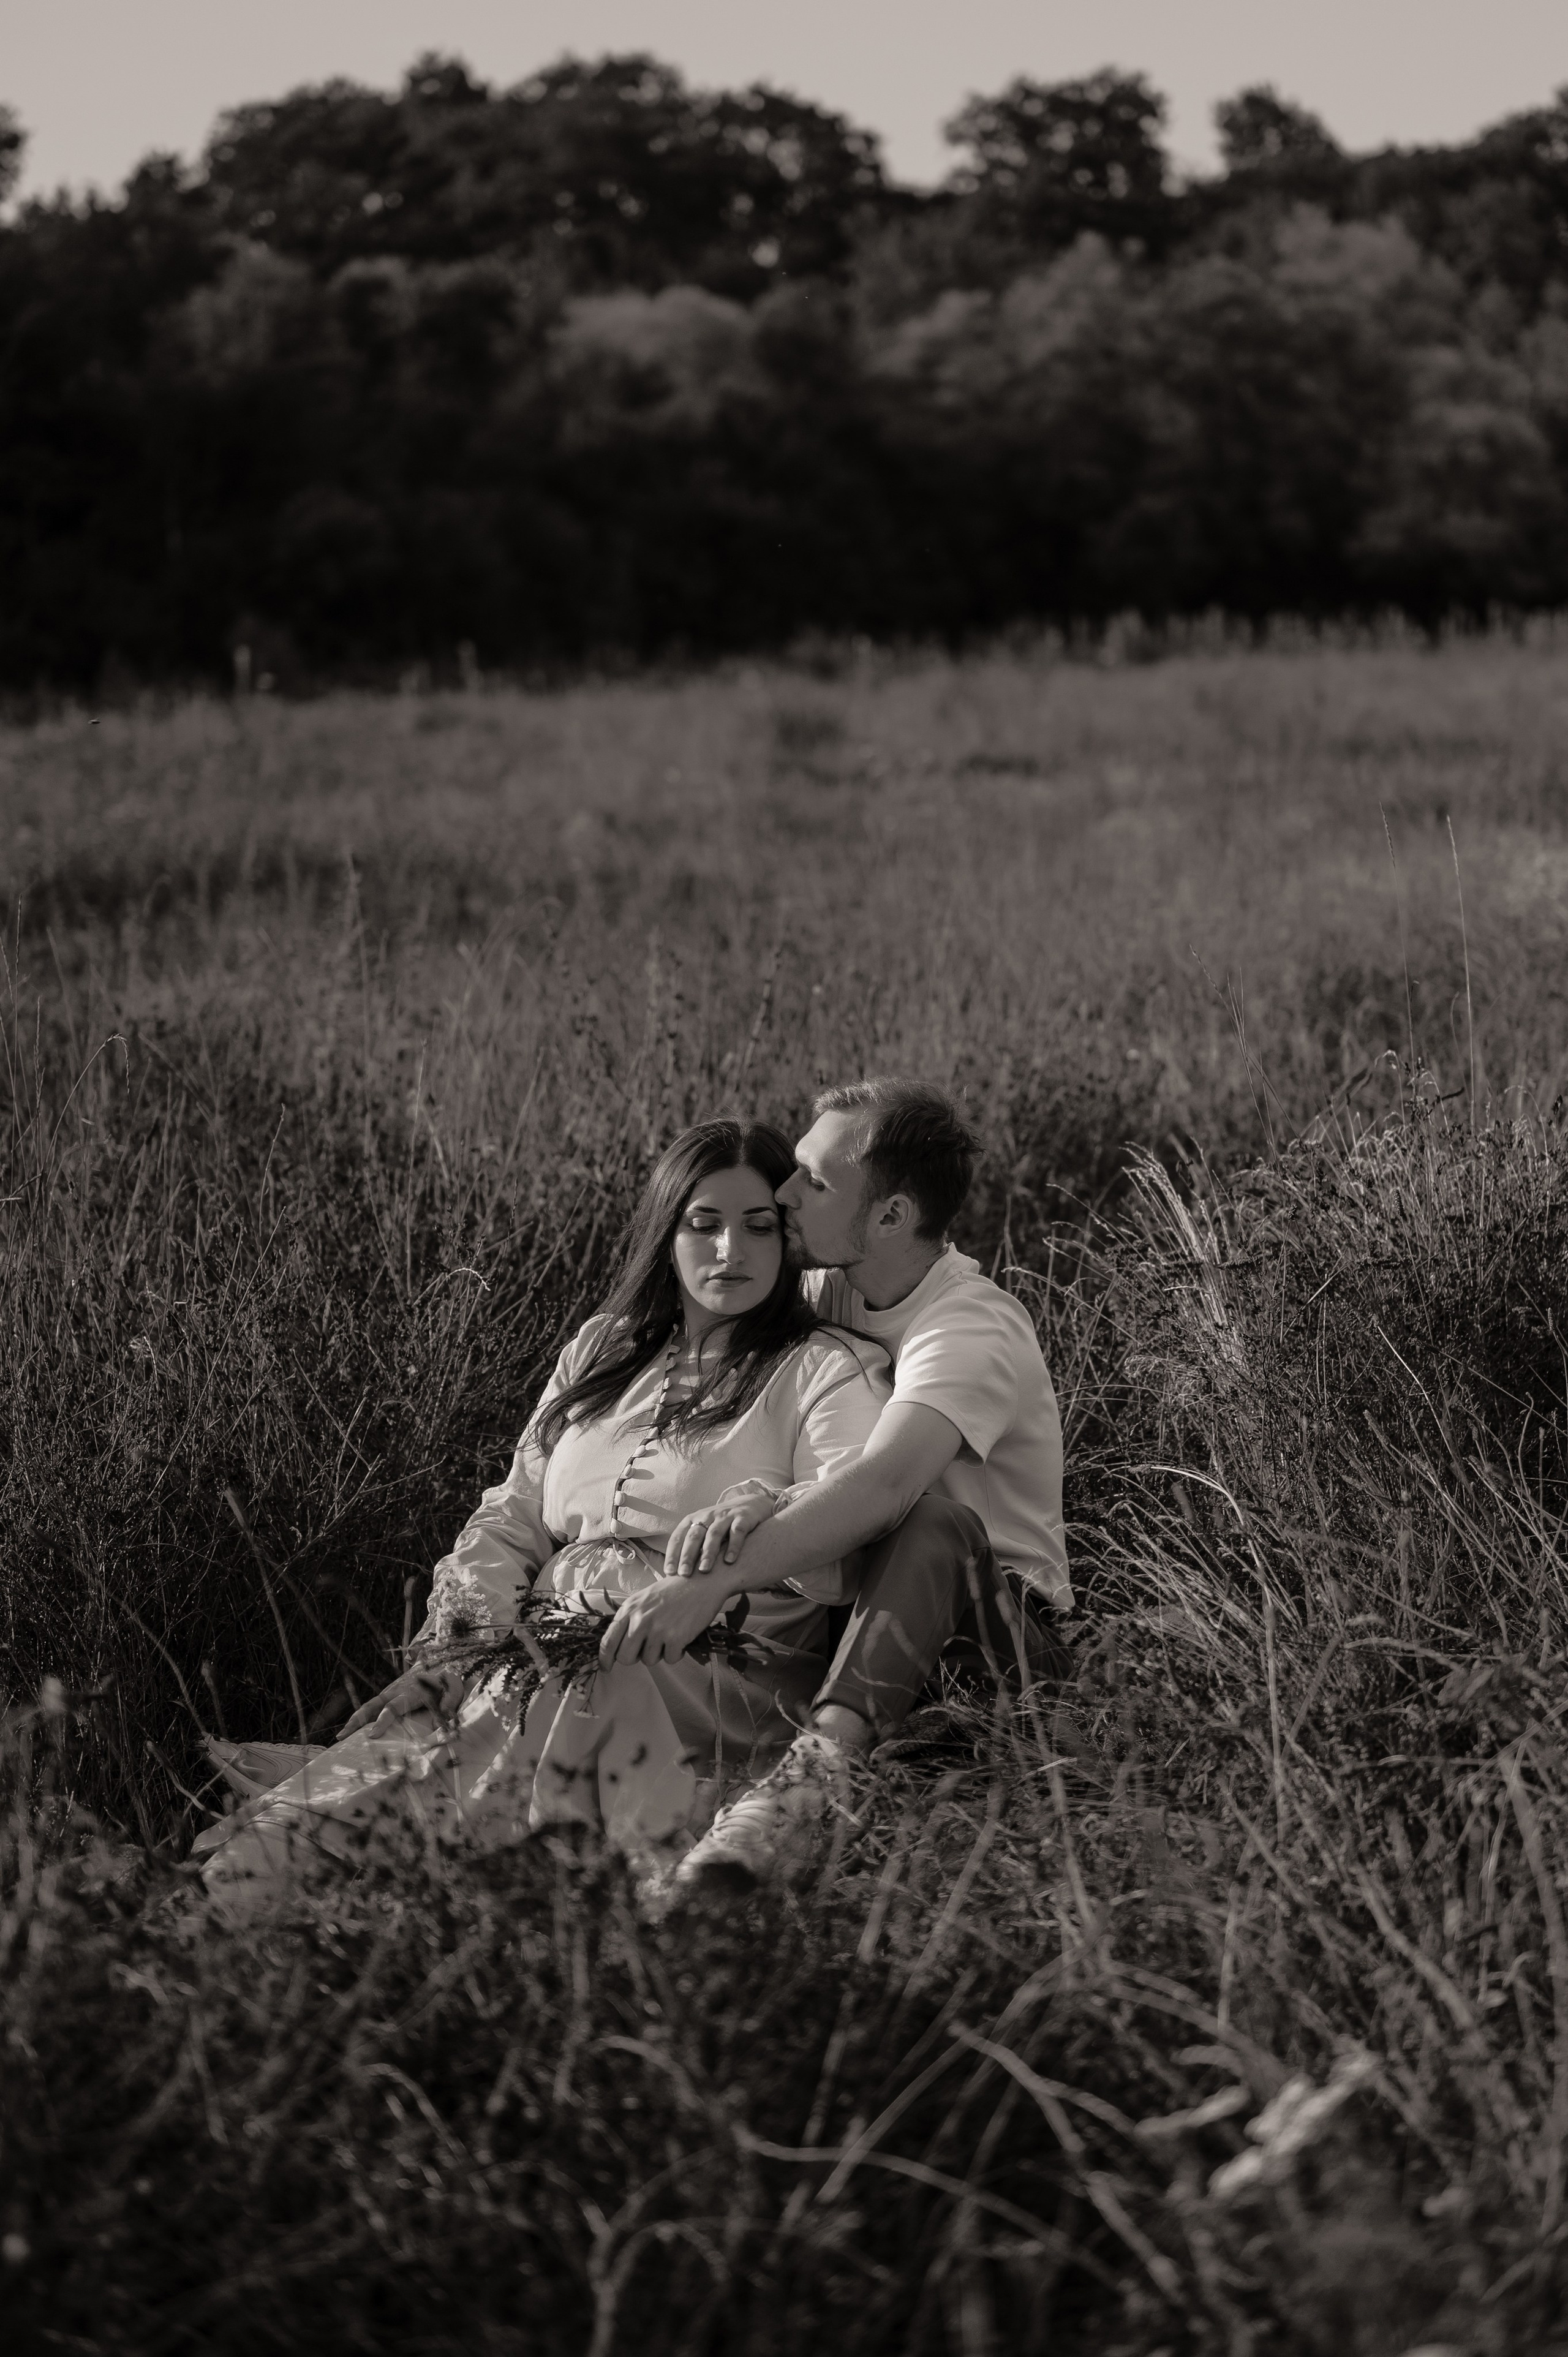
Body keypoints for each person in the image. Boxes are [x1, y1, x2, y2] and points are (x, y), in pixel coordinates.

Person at [198, 1120, 889, 1912]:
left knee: (551, 1707)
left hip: (709, 1670)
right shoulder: (604, 1349)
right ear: (666, 1235)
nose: (731, 1250)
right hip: (539, 1650)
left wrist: (760, 1507)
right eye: (705, 1224)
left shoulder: (823, 1367)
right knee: (280, 1846)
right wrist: (457, 1649)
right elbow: (515, 1511)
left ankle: (464, 1871)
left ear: (788, 1238)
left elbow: (851, 1517)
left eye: (759, 1226)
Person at [591, 1077, 1071, 1892]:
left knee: (937, 1522)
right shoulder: (830, 1287)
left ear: (891, 1217)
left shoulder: (969, 1326)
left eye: (813, 1181)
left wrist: (713, 1580)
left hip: (988, 1646)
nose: (784, 1194)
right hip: (856, 1631)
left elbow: (884, 1487)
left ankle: (809, 1785)